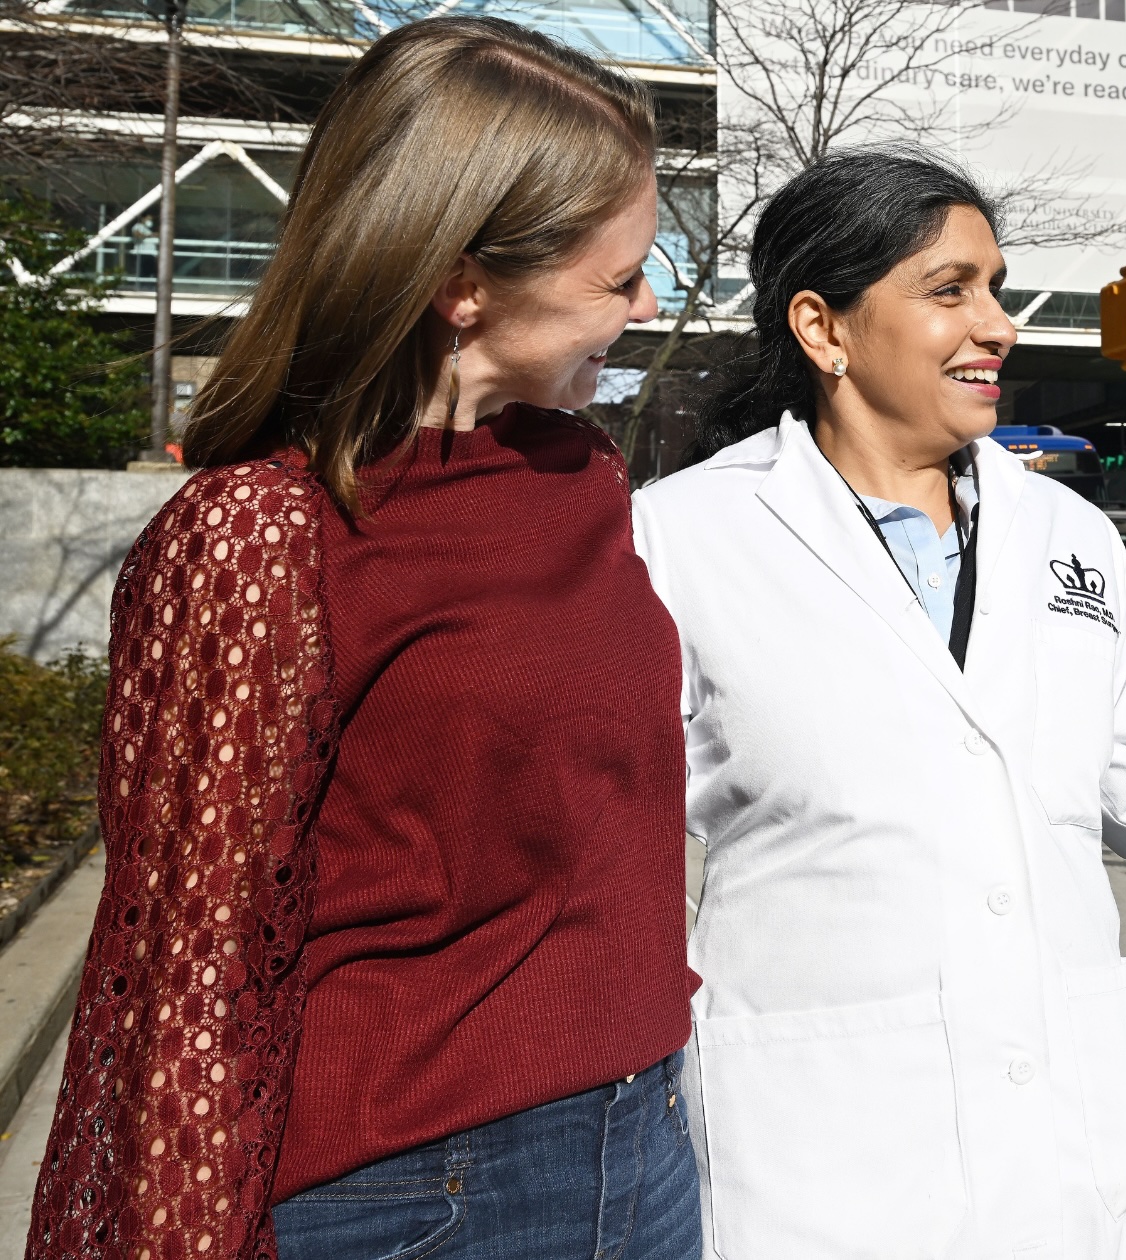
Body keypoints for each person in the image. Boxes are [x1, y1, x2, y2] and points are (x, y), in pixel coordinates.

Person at [28, 18, 699, 1260]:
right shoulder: (256, 534)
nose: (649, 306)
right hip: (409, 1194)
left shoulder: (581, 476)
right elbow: (190, 965)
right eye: (618, 281)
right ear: (462, 284)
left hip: (644, 1141)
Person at [629, 148, 1126, 1259]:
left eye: (996, 288)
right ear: (822, 329)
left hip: (1070, 1160)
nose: (1000, 325)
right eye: (950, 290)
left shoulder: (1069, 535)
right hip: (819, 1165)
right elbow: (610, 836)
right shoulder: (680, 537)